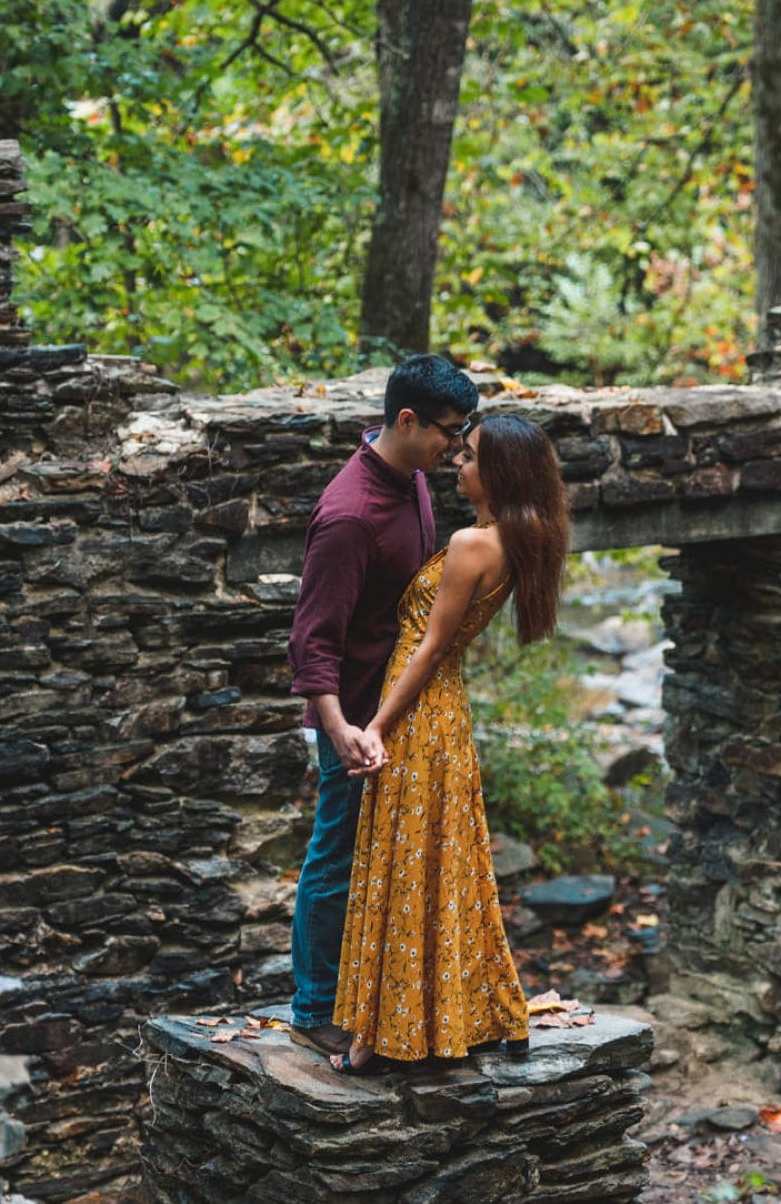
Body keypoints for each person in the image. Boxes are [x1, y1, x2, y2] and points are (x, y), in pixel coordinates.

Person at [329, 413, 571, 1072]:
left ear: (498, 474)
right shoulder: (521, 535)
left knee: (403, 868)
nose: (456, 465)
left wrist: (375, 726)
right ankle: (483, 1014)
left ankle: (376, 1040)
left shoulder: (472, 544)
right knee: (450, 870)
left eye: (468, 457)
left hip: (417, 717)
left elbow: (431, 649)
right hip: (449, 720)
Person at [286, 354, 479, 1061]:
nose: (456, 448)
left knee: (384, 858)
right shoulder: (348, 517)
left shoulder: (414, 478)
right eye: (449, 433)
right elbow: (313, 640)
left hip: (395, 712)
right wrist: (339, 730)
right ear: (406, 420)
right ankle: (313, 1008)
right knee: (335, 856)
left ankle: (374, 997)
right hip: (355, 719)